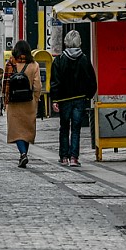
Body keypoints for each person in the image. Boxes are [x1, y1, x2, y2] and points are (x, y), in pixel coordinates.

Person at [50, 30, 98, 168]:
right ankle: (74, 158)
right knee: (76, 128)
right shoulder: (83, 59)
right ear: (79, 43)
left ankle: (63, 156)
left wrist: (55, 99)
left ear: (66, 43)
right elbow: (91, 80)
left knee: (64, 128)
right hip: (79, 99)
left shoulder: (59, 60)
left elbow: (55, 82)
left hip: (64, 100)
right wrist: (88, 95)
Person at [5, 41, 41, 168]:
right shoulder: (34, 65)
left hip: (14, 103)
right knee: (27, 130)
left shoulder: (10, 63)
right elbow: (37, 86)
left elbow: (6, 85)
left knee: (17, 131)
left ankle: (23, 153)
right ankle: (24, 153)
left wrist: (6, 102)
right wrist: (35, 100)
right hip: (28, 102)